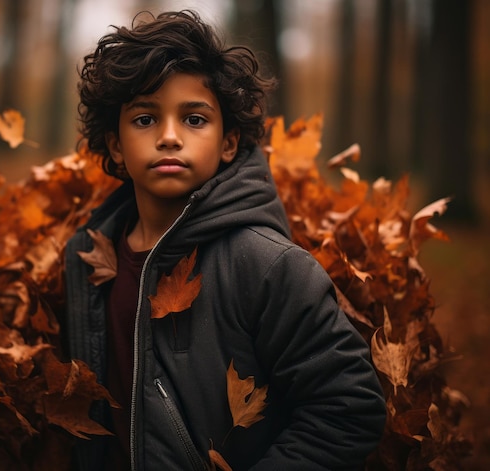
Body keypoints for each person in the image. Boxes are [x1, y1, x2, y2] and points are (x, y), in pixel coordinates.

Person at [64, 10, 386, 470]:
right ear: (116, 145)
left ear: (229, 142)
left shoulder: (267, 266)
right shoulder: (84, 260)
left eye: (194, 119)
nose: (170, 137)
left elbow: (348, 407)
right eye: (144, 119)